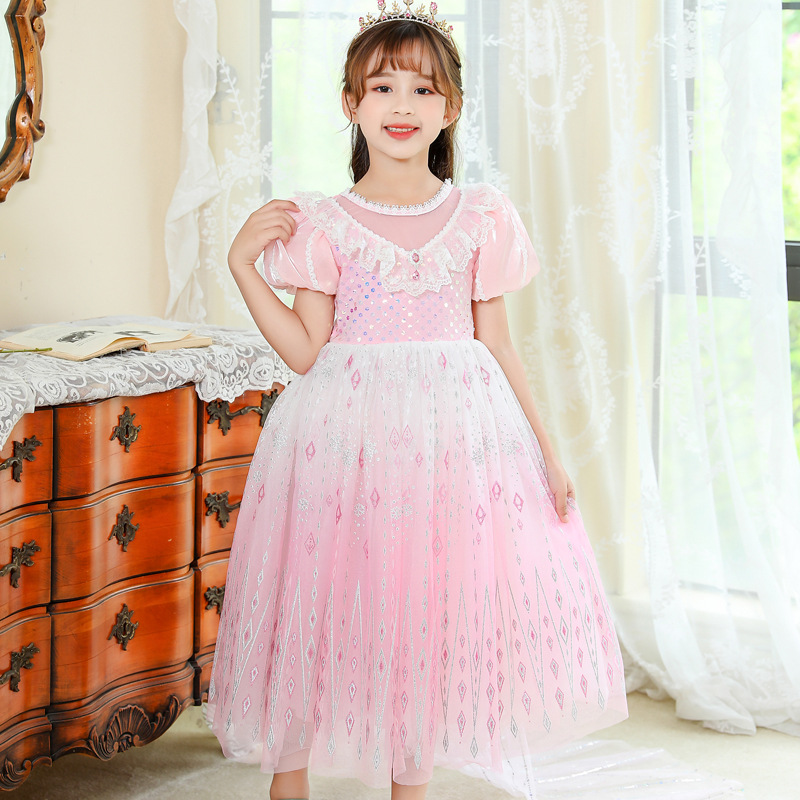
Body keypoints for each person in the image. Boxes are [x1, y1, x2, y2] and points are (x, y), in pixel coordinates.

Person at [206, 3, 628, 799]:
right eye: (382, 87)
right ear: (351, 103)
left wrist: (548, 453)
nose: (402, 105)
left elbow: (499, 344)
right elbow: (305, 351)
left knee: (426, 610)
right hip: (344, 437)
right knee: (324, 606)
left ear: (451, 108)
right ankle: (289, 782)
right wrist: (242, 267)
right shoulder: (322, 222)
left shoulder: (481, 215)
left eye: (423, 90)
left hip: (451, 440)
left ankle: (412, 785)